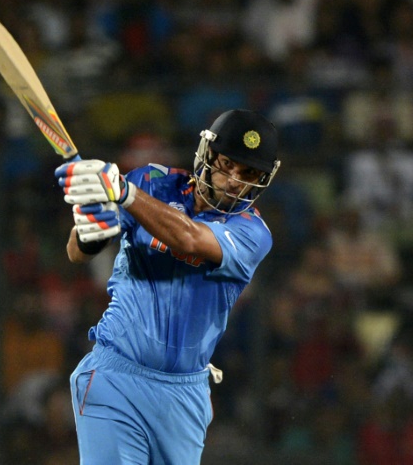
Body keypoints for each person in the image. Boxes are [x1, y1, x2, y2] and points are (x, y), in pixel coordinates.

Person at [55, 109, 280, 464]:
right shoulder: (151, 182)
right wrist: (89, 230)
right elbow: (77, 253)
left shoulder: (253, 233)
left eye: (248, 173)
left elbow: (189, 238)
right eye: (226, 164)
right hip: (115, 374)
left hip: (184, 393)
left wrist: (123, 192)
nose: (234, 180)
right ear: (207, 156)